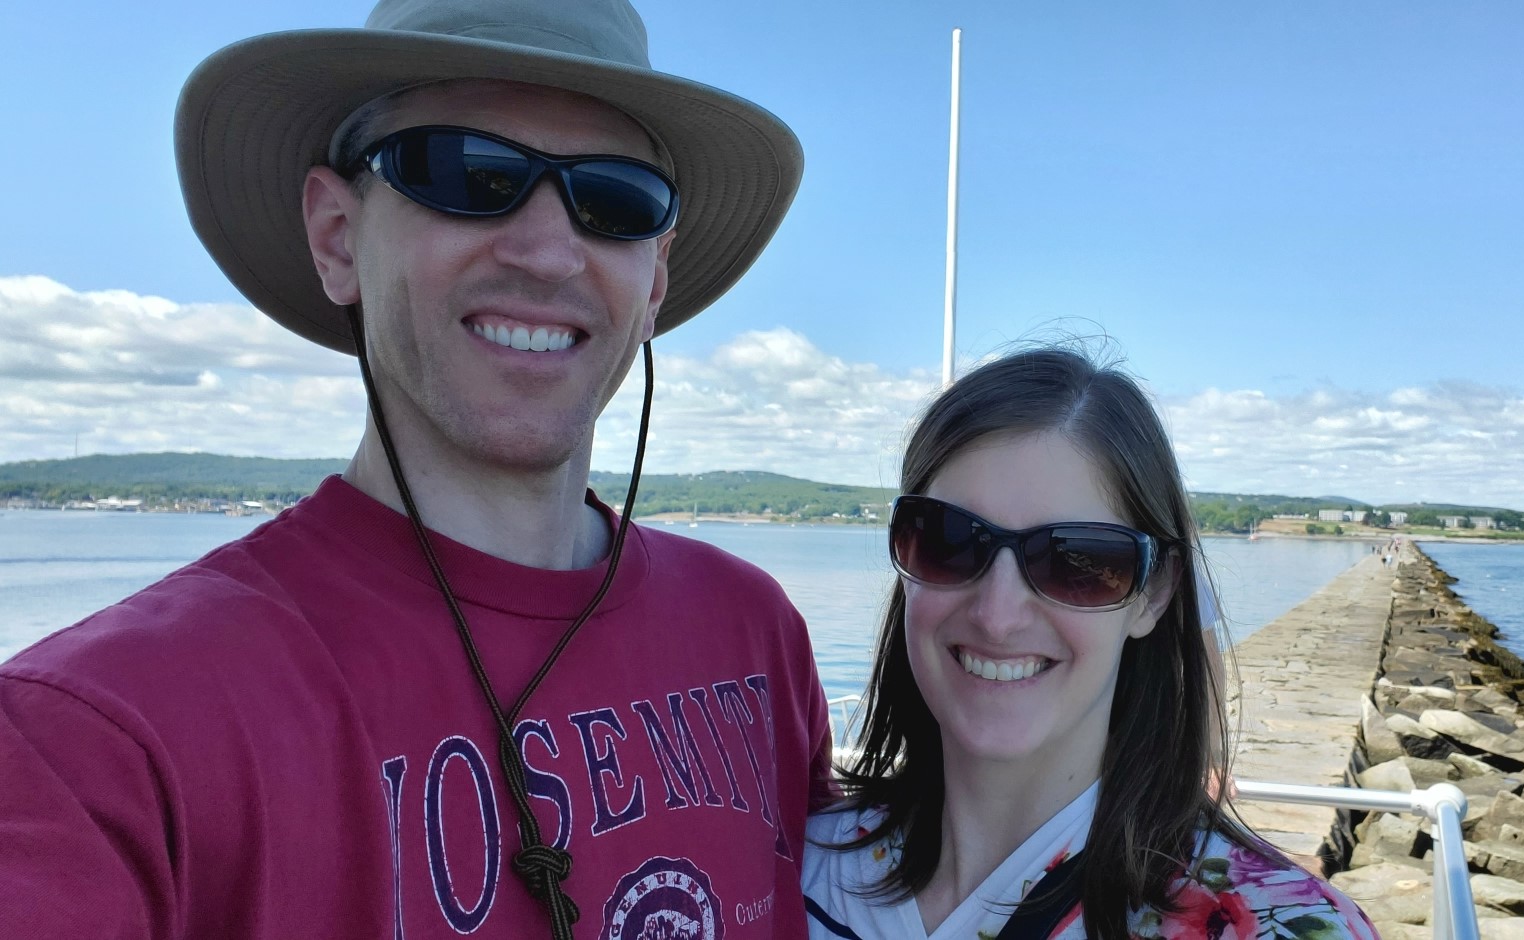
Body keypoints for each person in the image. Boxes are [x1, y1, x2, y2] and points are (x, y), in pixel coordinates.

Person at [0, 1, 833, 937]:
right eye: (467, 173)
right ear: (337, 236)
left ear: (656, 280)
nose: (548, 251)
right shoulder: (100, 741)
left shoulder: (755, 633)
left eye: (616, 199)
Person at [802, 347, 1375, 939]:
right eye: (948, 541)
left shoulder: (1278, 925)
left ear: (1153, 594)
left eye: (1077, 561)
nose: (998, 616)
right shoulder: (783, 868)